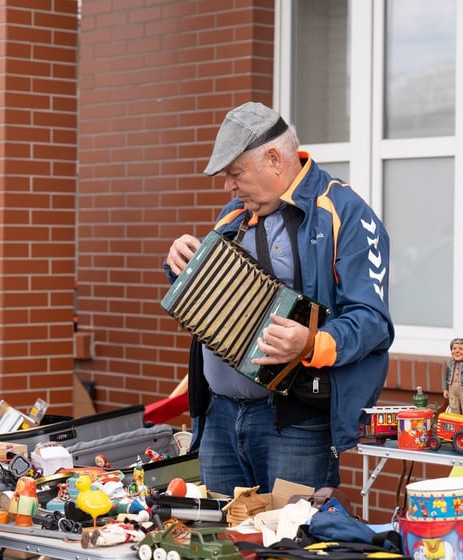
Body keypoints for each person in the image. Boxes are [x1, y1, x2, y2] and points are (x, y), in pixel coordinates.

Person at [163, 102, 393, 496]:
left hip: (294, 424)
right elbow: (210, 291)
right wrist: (179, 264)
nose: (227, 186)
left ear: (273, 159)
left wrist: (310, 343)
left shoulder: (346, 212)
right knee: (221, 546)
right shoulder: (234, 213)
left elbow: (372, 321)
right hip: (218, 417)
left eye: (235, 174)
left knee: (288, 545)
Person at [442, 337, 463, 416]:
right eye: (454, 348)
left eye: (461, 349)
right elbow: (447, 377)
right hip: (452, 387)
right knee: (454, 406)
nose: (457, 351)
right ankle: (456, 423)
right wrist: (445, 388)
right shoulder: (450, 364)